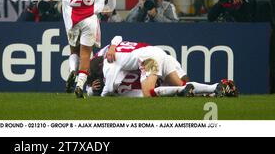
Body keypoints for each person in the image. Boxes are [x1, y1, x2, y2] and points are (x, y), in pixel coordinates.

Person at [20, 0, 155, 98]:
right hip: (90, 18)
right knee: (86, 54)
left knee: (73, 50)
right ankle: (79, 84)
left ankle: (72, 70)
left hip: (72, 19)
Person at [98, 36, 238, 97]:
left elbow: (110, 88)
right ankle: (216, 87)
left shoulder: (108, 61)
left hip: (149, 59)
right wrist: (113, 46)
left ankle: (182, 90)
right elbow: (117, 37)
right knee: (183, 84)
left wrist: (96, 93)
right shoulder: (114, 47)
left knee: (148, 93)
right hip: (159, 53)